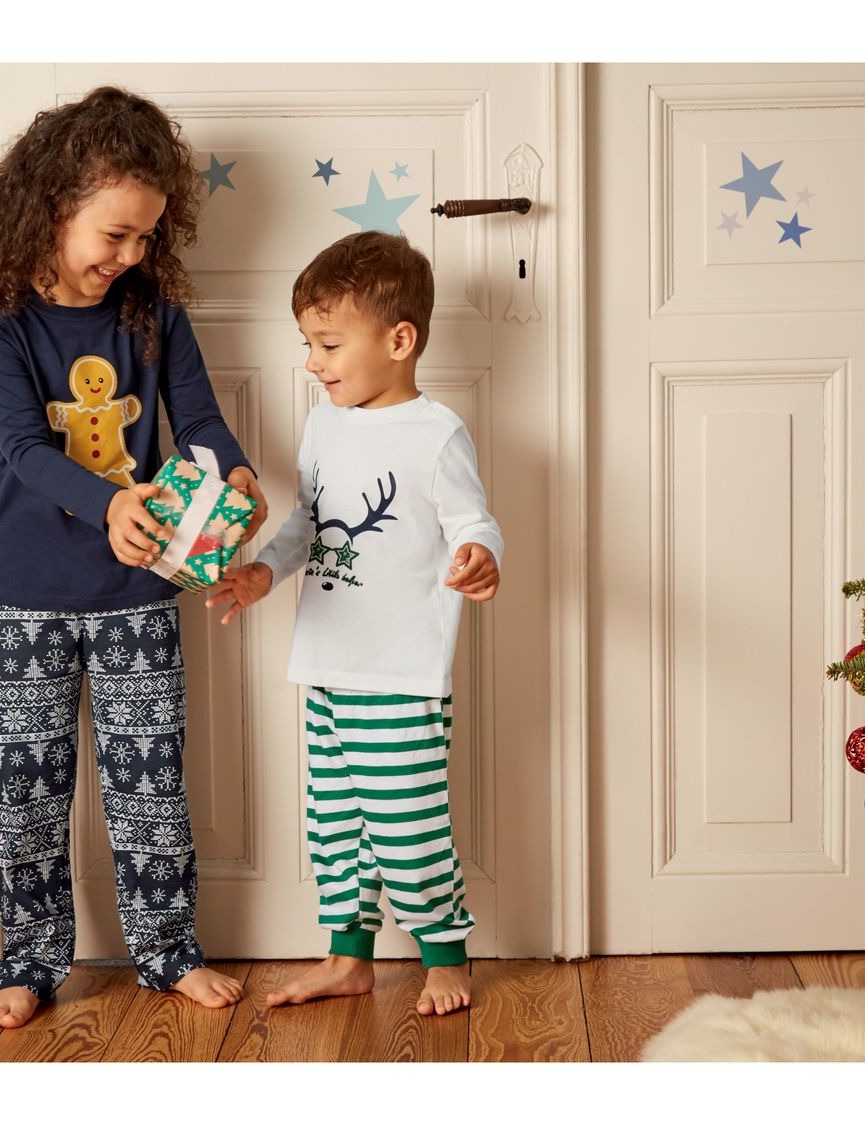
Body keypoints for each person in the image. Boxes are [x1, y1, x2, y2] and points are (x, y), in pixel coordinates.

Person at [0, 86, 266, 1028]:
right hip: (26, 592)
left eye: (145, 238)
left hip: (139, 588)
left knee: (150, 784)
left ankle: (168, 950)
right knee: (27, 791)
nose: (129, 256)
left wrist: (236, 473)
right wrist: (111, 501)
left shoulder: (151, 309)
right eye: (115, 234)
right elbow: (25, 447)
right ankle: (29, 960)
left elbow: (196, 419)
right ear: (52, 207)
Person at [206, 230, 501, 1016]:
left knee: (407, 826)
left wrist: (480, 555)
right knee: (337, 828)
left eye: (329, 344)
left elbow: (474, 520)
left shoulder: (436, 433)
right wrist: (266, 572)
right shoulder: (323, 426)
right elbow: (308, 521)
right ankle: (348, 958)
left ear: (399, 341)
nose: (313, 362)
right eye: (308, 343)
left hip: (400, 673)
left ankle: (446, 954)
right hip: (327, 664)